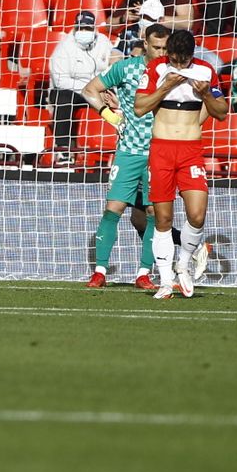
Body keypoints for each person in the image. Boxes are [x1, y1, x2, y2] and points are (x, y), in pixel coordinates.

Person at [134, 28, 229, 299]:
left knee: (197, 214)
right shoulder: (155, 69)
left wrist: (207, 95)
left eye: (183, 60)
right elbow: (139, 107)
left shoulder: (205, 71)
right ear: (168, 54)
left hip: (190, 151)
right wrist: (165, 87)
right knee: (162, 218)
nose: (178, 65)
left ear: (191, 56)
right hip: (162, 150)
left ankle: (183, 264)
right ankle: (165, 281)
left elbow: (221, 113)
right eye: (173, 59)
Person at [81, 22, 169, 289]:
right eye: (156, 47)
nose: (161, 52)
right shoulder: (126, 68)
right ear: (145, 43)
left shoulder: (174, 72)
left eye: (165, 47)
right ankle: (99, 271)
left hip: (159, 153)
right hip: (129, 151)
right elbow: (89, 90)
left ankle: (143, 273)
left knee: (154, 212)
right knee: (113, 208)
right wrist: (112, 118)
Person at [48, 10, 116, 164]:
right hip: (72, 90)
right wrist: (91, 88)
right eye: (81, 28)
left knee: (116, 98)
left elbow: (111, 69)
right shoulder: (64, 47)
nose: (84, 32)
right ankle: (62, 149)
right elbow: (60, 81)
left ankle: (111, 146)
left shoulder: (104, 42)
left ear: (94, 28)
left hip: (99, 88)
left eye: (88, 28)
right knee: (64, 99)